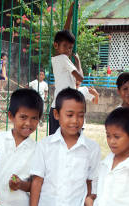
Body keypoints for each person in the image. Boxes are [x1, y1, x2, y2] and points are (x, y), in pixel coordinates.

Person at [48, 4, 83, 134]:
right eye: (66, 47)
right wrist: (78, 61)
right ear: (56, 45)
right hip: (64, 107)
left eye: (70, 48)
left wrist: (70, 14)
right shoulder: (63, 59)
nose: (68, 50)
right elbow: (80, 78)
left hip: (58, 107)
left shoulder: (57, 57)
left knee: (55, 143)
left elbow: (65, 33)